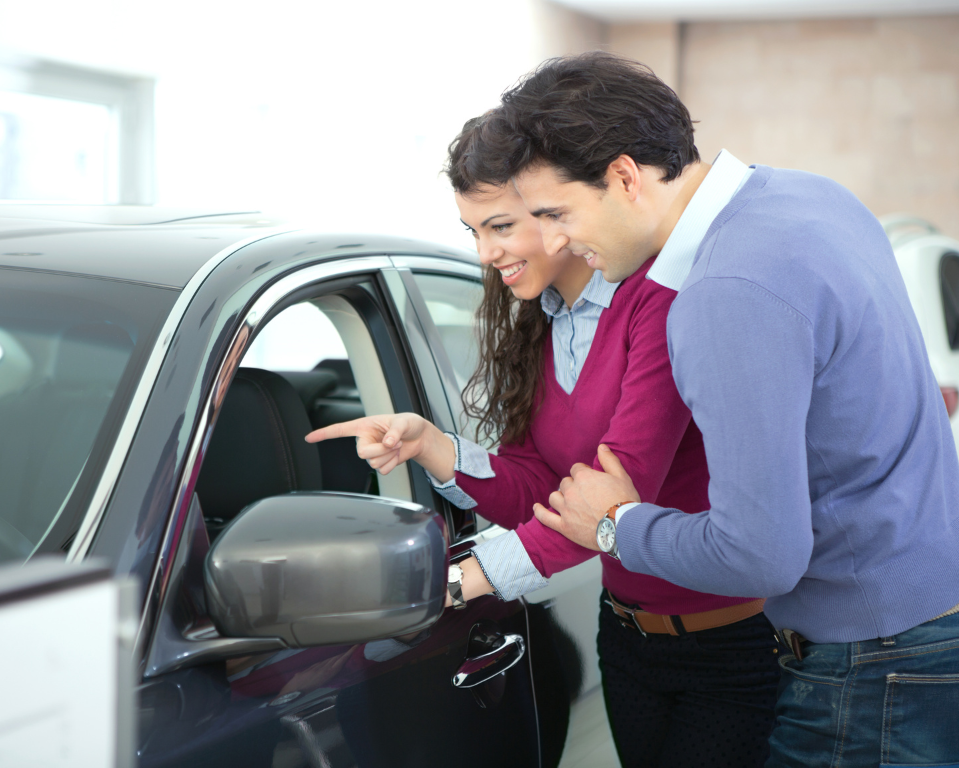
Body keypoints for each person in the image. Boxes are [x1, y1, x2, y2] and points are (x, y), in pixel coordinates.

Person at [483, 52, 959, 767]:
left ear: (623, 176)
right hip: (926, 624)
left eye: (556, 212)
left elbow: (761, 554)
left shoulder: (724, 291)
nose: (552, 242)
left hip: (868, 661)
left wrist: (613, 525)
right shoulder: (808, 196)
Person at [306, 113, 781, 768]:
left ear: (553, 207)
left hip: (728, 645)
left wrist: (450, 586)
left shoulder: (657, 303)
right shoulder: (541, 321)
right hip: (625, 637)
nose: (484, 254)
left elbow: (613, 497)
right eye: (474, 232)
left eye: (501, 227)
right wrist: (432, 446)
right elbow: (537, 492)